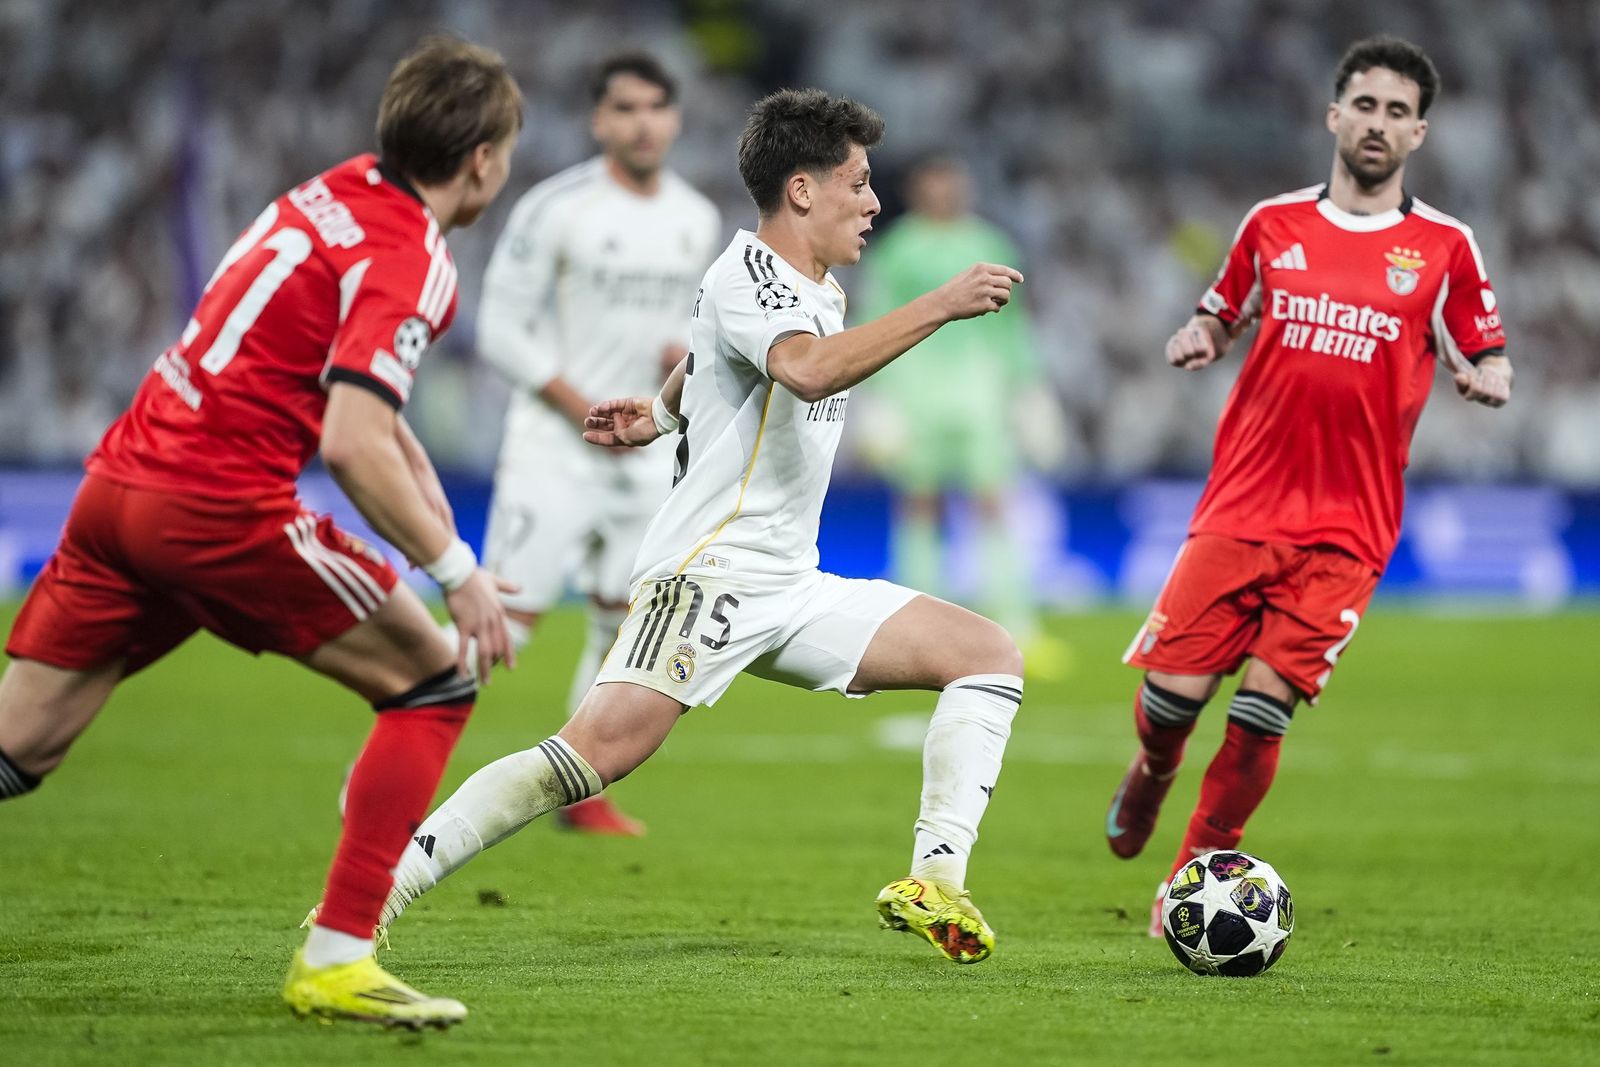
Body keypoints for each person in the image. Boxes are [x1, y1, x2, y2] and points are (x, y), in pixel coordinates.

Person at [372, 88, 1027, 965]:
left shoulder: (811, 285)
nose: (874, 203)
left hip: (789, 581)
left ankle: (935, 881)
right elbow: (802, 371)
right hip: (709, 574)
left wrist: (658, 412)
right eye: (859, 183)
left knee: (986, 653)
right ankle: (378, 888)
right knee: (590, 756)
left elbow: (708, 358)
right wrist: (937, 304)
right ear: (801, 191)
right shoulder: (752, 271)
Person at [0, 37, 523, 1026]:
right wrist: (456, 571)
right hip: (216, 505)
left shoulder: (329, 192)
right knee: (434, 675)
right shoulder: (413, 259)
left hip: (121, 482)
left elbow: (353, 394)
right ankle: (336, 956)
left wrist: (427, 498)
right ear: (485, 160)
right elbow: (352, 438)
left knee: (17, 748)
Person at [1105, 36, 1513, 934]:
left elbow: (1487, 343)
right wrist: (1201, 336)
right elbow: (1221, 308)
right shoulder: (1272, 224)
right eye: (1364, 105)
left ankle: (1186, 883)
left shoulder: (1444, 246)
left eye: (1398, 112)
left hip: (1349, 525)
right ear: (1335, 115)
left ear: (1420, 133)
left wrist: (1491, 374)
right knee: (1173, 698)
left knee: (1260, 711)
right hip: (1243, 501)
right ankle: (1154, 768)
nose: (1378, 123)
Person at [474, 51, 721, 837]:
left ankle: (582, 794)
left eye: (655, 106)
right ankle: (385, 765)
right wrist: (581, 403)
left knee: (624, 621)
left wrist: (676, 363)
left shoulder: (695, 218)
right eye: (625, 108)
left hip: (647, 451)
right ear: (598, 121)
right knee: (499, 624)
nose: (642, 122)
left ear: (675, 118)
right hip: (556, 448)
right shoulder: (557, 208)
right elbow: (500, 329)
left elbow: (696, 331)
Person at [859, 156, 1069, 677]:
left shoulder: (989, 243)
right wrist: (879, 398)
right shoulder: (898, 249)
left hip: (981, 393)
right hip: (917, 393)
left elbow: (1012, 323)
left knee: (992, 503)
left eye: (953, 179)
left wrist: (1029, 390)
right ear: (916, 187)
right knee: (919, 504)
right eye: (934, 180)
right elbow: (878, 319)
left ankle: (1017, 623)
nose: (945, 189)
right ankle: (918, 625)